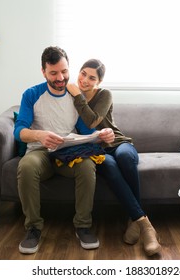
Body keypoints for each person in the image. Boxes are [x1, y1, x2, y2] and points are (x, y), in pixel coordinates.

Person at [14, 47, 114, 254]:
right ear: (43, 72)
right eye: (53, 73)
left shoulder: (76, 96)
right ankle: (33, 228)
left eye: (64, 71)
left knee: (87, 166)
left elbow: (87, 129)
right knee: (26, 165)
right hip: (40, 152)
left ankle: (83, 225)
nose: (60, 78)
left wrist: (101, 133)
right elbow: (19, 130)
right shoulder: (32, 94)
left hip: (68, 153)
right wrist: (40, 135)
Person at [66, 59, 161, 256]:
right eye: (83, 73)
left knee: (125, 158)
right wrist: (74, 95)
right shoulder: (68, 97)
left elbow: (93, 120)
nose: (84, 80)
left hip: (118, 142)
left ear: (98, 82)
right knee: (108, 165)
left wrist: (77, 95)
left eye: (92, 77)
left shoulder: (104, 94)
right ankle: (144, 223)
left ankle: (134, 220)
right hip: (96, 149)